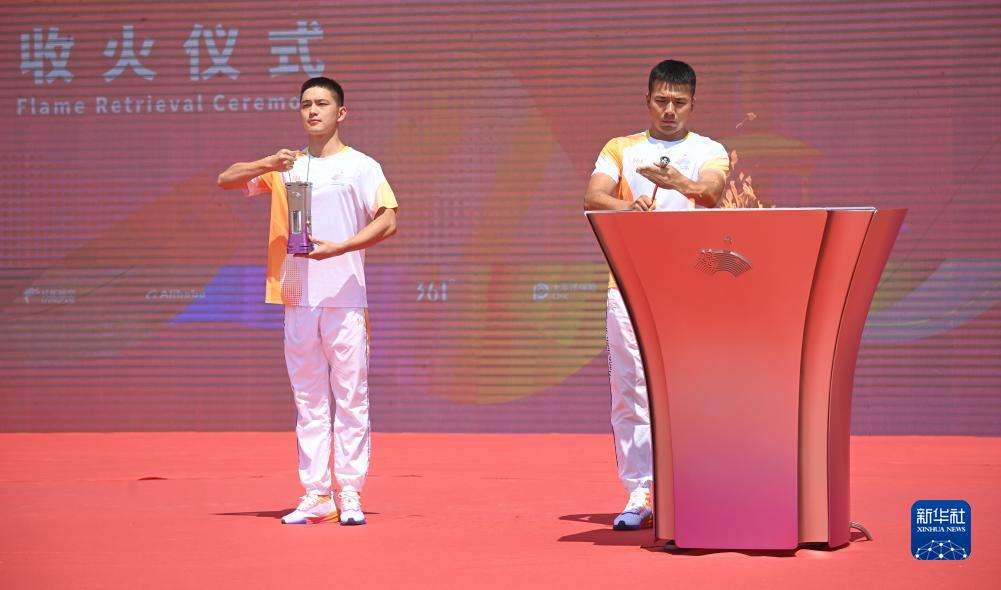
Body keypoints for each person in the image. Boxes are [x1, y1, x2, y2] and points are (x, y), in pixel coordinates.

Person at [217, 76, 398, 526]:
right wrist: (267, 162)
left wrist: (341, 247)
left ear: (341, 113)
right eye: (305, 104)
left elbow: (388, 220)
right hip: (296, 294)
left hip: (345, 296)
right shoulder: (287, 166)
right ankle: (317, 493)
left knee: (351, 396)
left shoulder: (362, 166)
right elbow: (226, 179)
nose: (312, 111)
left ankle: (350, 492)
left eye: (321, 103)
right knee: (308, 398)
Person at [583, 60, 729, 530]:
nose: (669, 110)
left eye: (679, 103)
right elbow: (594, 196)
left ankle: (696, 485)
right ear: (647, 100)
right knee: (631, 390)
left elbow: (711, 192)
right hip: (629, 284)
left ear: (692, 104)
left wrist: (678, 184)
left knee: (695, 386)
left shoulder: (709, 150)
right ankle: (641, 490)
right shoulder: (620, 148)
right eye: (661, 101)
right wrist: (628, 206)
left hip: (693, 285)